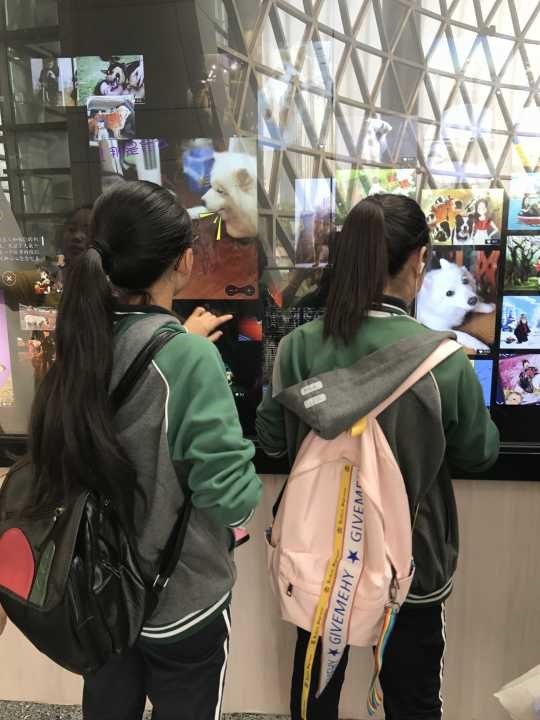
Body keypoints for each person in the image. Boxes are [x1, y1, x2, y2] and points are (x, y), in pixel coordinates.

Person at [256, 194, 499, 720]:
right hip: (412, 560)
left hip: (321, 556)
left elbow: (271, 440)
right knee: (413, 700)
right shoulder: (445, 359)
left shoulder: (297, 346)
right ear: (419, 260)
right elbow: (480, 452)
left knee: (314, 699)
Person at [28, 181, 261, 720]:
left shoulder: (76, 343)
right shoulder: (189, 358)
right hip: (177, 603)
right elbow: (232, 502)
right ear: (183, 261)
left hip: (95, 594)